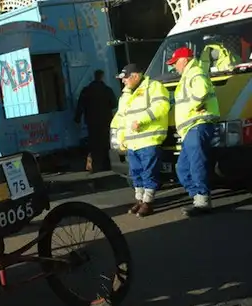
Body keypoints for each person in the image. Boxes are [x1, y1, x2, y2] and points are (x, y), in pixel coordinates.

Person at [166, 47, 220, 216]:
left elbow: (201, 92)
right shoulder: (188, 76)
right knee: (183, 168)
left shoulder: (195, 72)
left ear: (184, 60)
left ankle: (202, 201)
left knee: (196, 164)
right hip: (190, 128)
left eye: (175, 62)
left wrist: (194, 107)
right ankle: (198, 197)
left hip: (197, 124)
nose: (174, 66)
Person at [111, 64, 170, 217]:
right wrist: (120, 137)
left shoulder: (154, 87)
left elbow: (162, 106)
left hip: (149, 139)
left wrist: (141, 120)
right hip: (132, 143)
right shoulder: (125, 95)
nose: (123, 81)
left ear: (136, 76)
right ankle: (140, 200)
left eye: (125, 78)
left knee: (148, 173)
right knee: (135, 173)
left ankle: (148, 202)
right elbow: (120, 118)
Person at [74, 69, 117, 173]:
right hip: (105, 120)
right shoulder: (107, 90)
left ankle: (96, 166)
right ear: (102, 77)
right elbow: (114, 104)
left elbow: (80, 105)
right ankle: (107, 164)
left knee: (94, 143)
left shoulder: (86, 90)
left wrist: (77, 118)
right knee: (106, 143)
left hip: (91, 121)